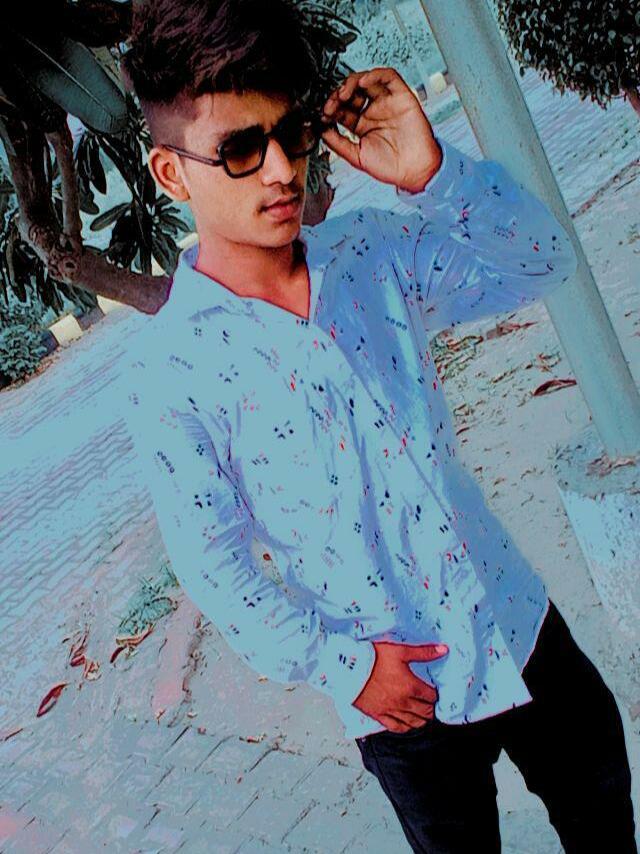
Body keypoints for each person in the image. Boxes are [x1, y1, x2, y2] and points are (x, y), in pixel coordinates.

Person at [120, 1, 637, 851]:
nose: (281, 170)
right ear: (172, 174)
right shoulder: (170, 372)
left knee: (602, 798)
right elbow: (214, 566)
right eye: (241, 150)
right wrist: (349, 670)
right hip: (398, 692)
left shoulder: (369, 254)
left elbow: (542, 260)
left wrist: (434, 176)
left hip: (510, 613)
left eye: (291, 134)